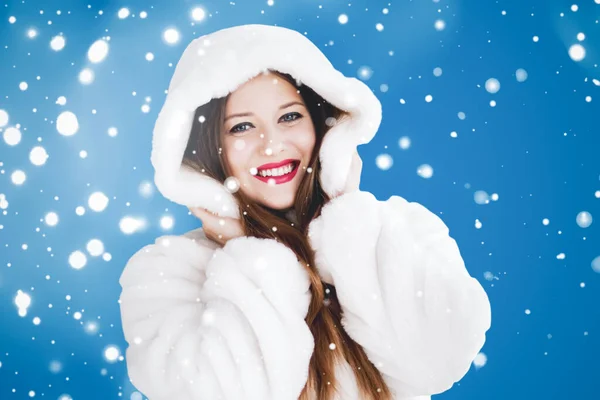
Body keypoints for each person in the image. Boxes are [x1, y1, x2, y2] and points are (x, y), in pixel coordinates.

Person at [118, 24, 492, 400]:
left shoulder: (399, 230)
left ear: (323, 126)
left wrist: (348, 227)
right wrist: (252, 258)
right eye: (242, 127)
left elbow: (437, 364)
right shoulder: (166, 273)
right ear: (207, 147)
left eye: (289, 117)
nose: (272, 145)